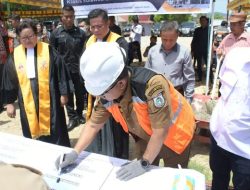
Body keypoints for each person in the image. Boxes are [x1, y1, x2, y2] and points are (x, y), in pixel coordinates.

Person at [55, 42, 196, 181]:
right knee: (145, 179)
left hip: (175, 136)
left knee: (172, 179)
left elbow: (160, 131)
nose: (101, 97)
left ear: (121, 84)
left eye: (103, 93)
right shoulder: (110, 92)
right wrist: (75, 152)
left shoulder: (152, 86)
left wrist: (144, 162)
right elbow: (93, 125)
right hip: (146, 137)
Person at [1, 19, 71, 147]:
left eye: (31, 36)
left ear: (36, 34)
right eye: (24, 38)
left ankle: (58, 153)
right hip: (27, 99)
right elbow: (9, 80)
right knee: (31, 128)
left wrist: (64, 93)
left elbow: (61, 71)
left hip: (51, 98)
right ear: (18, 38)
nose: (28, 40)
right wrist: (10, 103)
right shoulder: (15, 55)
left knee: (55, 127)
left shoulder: (48, 50)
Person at [85, 8, 129, 159]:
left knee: (116, 130)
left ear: (108, 23)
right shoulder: (89, 41)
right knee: (97, 125)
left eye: (99, 26)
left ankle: (119, 157)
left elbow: (123, 71)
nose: (95, 30)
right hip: (95, 93)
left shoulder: (119, 42)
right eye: (92, 27)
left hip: (114, 95)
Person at [209, 47, 250, 190]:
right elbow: (223, 86)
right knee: (218, 181)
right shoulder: (235, 55)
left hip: (245, 148)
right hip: (219, 136)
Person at [50, 5, 86, 131]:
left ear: (74, 17)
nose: (69, 19)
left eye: (71, 17)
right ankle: (72, 118)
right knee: (68, 94)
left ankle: (80, 114)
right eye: (66, 17)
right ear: (62, 17)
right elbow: (52, 54)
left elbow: (85, 52)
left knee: (80, 94)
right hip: (63, 72)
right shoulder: (55, 34)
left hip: (79, 70)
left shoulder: (81, 34)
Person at [145, 21, 195, 103]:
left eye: (172, 40)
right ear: (160, 35)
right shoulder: (152, 51)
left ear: (177, 35)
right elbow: (146, 75)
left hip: (176, 95)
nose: (168, 43)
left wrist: (188, 100)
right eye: (164, 39)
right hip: (155, 95)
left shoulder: (184, 52)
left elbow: (189, 79)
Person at [191, 16, 211, 82]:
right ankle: (199, 77)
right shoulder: (197, 30)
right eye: (201, 20)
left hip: (206, 50)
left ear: (207, 21)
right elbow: (194, 41)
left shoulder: (210, 30)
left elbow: (212, 41)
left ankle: (211, 78)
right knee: (199, 65)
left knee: (208, 64)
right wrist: (192, 50)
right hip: (198, 50)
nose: (202, 22)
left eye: (204, 20)